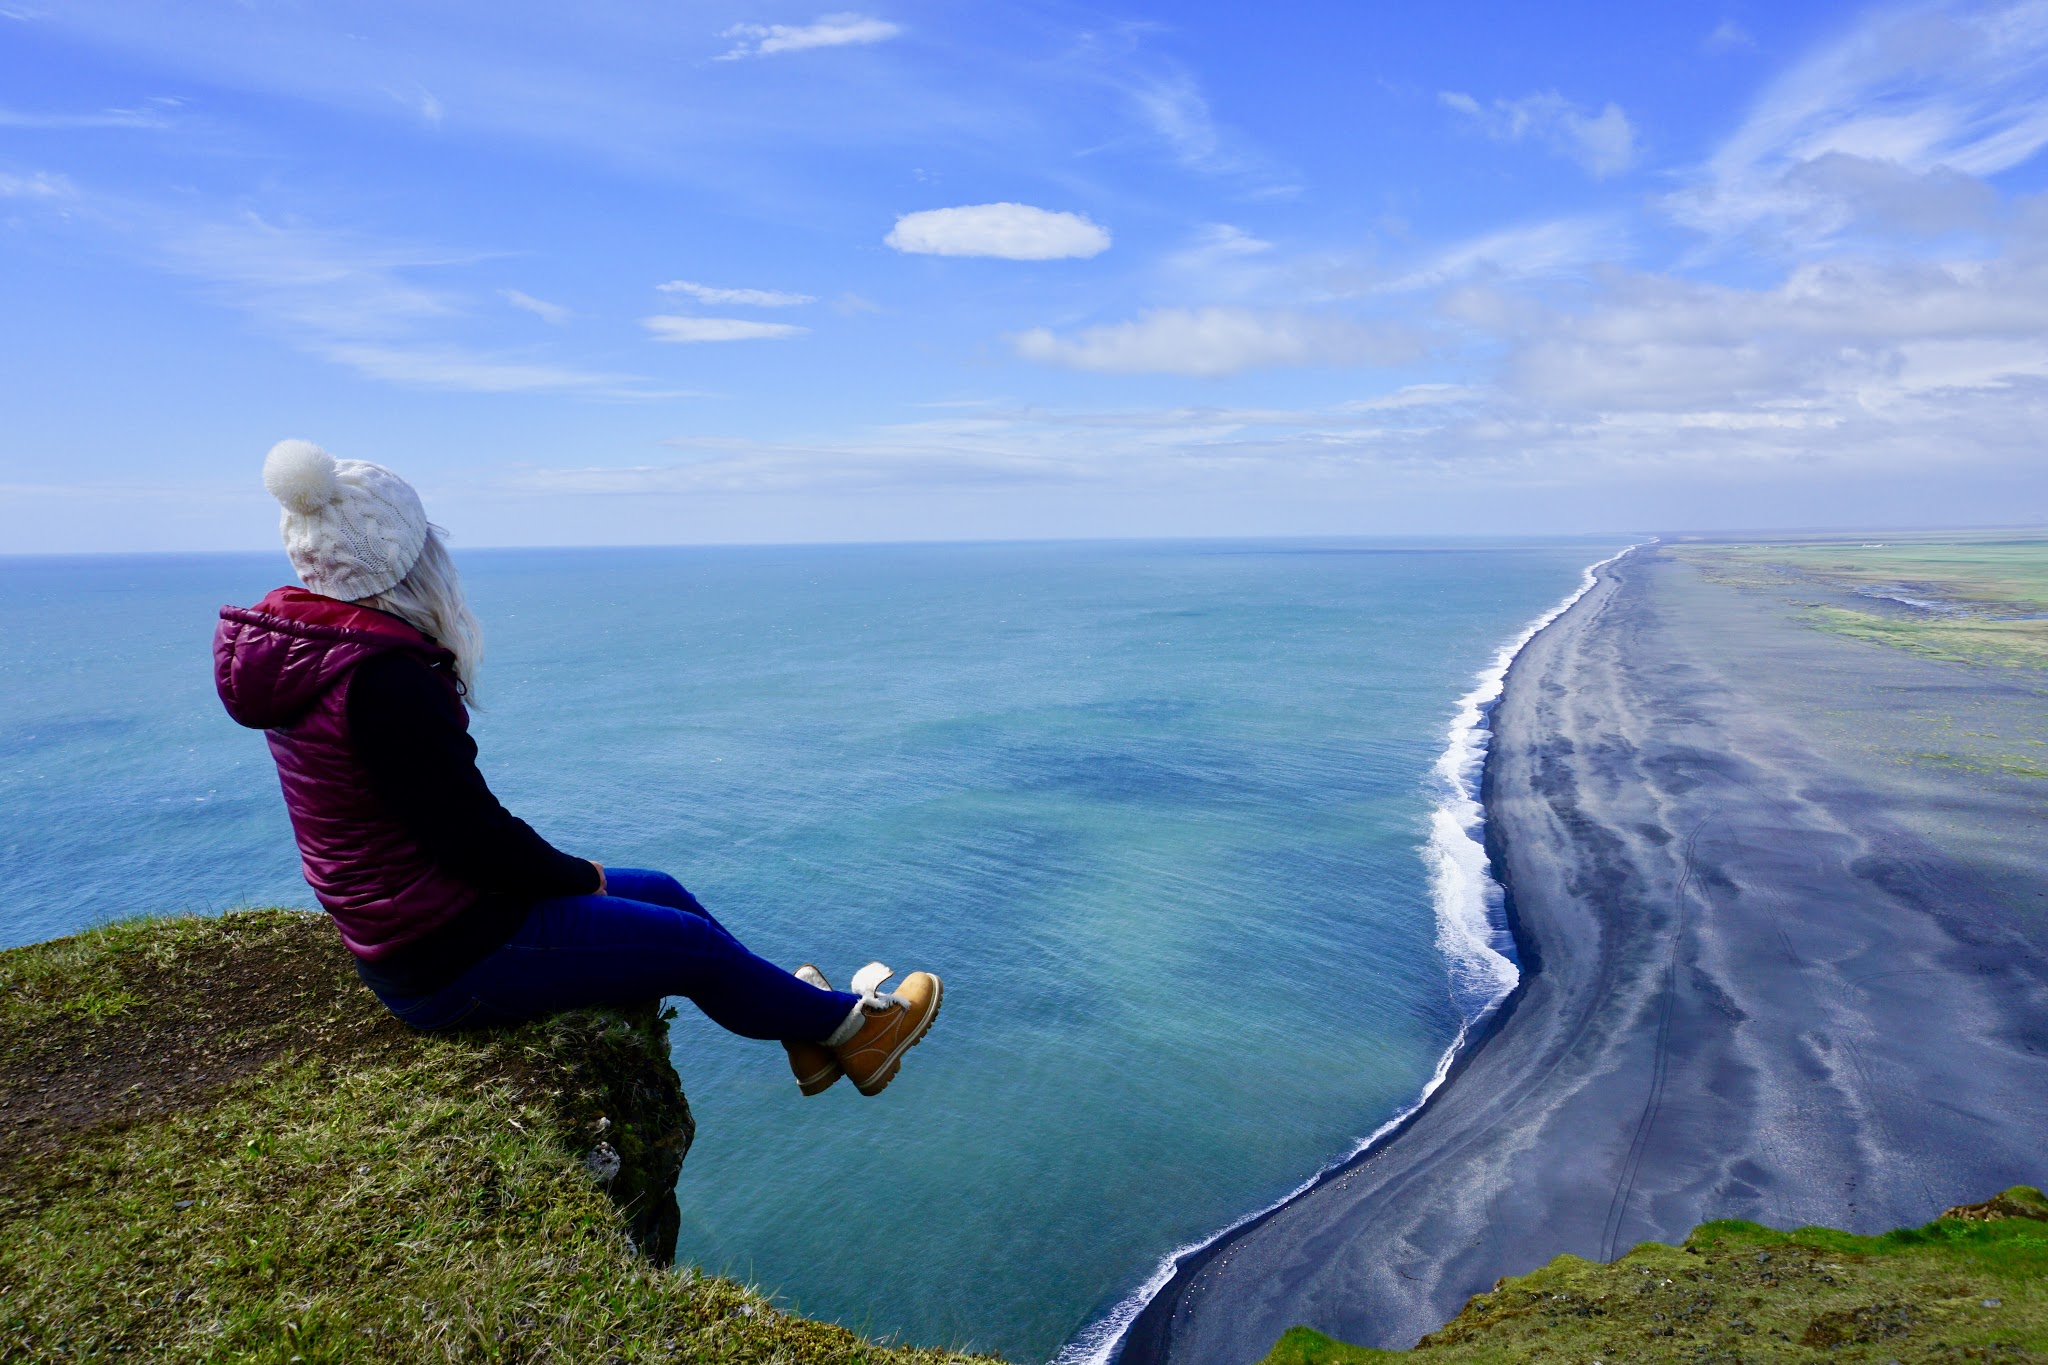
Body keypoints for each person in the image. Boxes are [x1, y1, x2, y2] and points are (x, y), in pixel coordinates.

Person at [214, 439, 939, 1097]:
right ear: (403, 557)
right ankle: (858, 1029)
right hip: (446, 959)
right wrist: (571, 875)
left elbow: (439, 827)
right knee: (694, 949)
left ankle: (811, 1034)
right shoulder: (383, 679)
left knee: (663, 890)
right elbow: (469, 836)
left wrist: (564, 875)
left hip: (418, 927)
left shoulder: (312, 646)